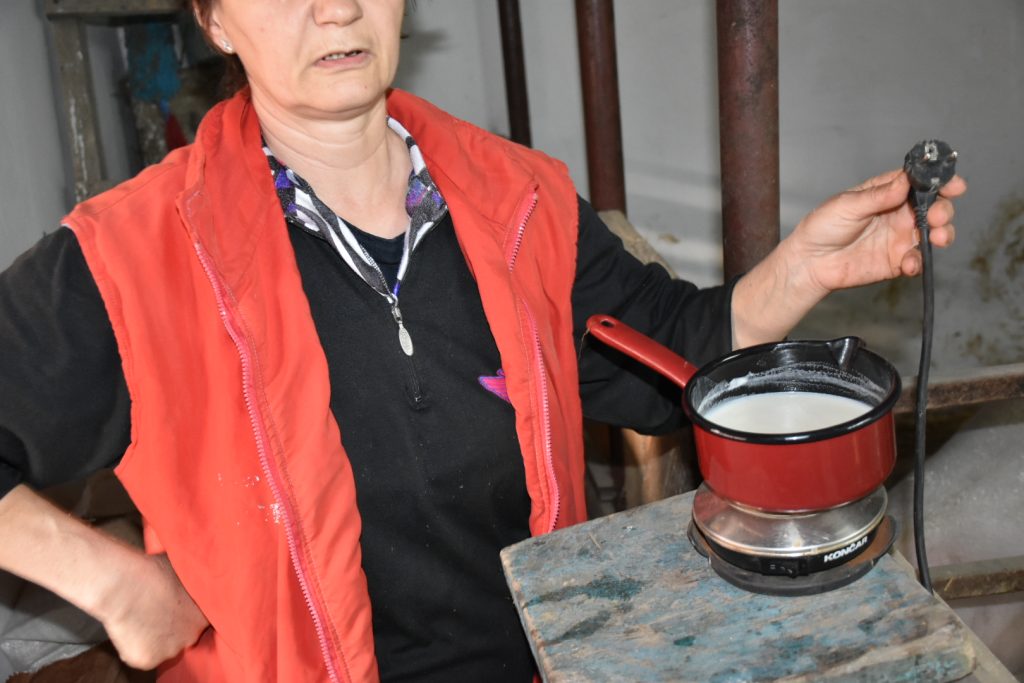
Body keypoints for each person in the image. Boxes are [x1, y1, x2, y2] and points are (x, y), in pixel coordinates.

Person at [0, 1, 965, 680]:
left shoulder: (517, 199)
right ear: (213, 19)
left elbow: (671, 354)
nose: (336, 9)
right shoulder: (134, 256)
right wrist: (111, 581)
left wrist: (805, 267)